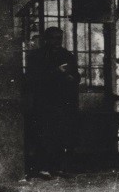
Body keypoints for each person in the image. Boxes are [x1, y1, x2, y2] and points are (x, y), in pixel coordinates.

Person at [25, 26, 80, 178]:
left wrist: (72, 78)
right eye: (54, 38)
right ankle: (43, 167)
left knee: (61, 135)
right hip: (44, 102)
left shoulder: (67, 55)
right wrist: (56, 73)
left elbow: (76, 75)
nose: (57, 42)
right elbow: (33, 78)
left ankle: (58, 167)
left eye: (59, 38)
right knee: (44, 135)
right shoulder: (36, 56)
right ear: (46, 39)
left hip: (63, 102)